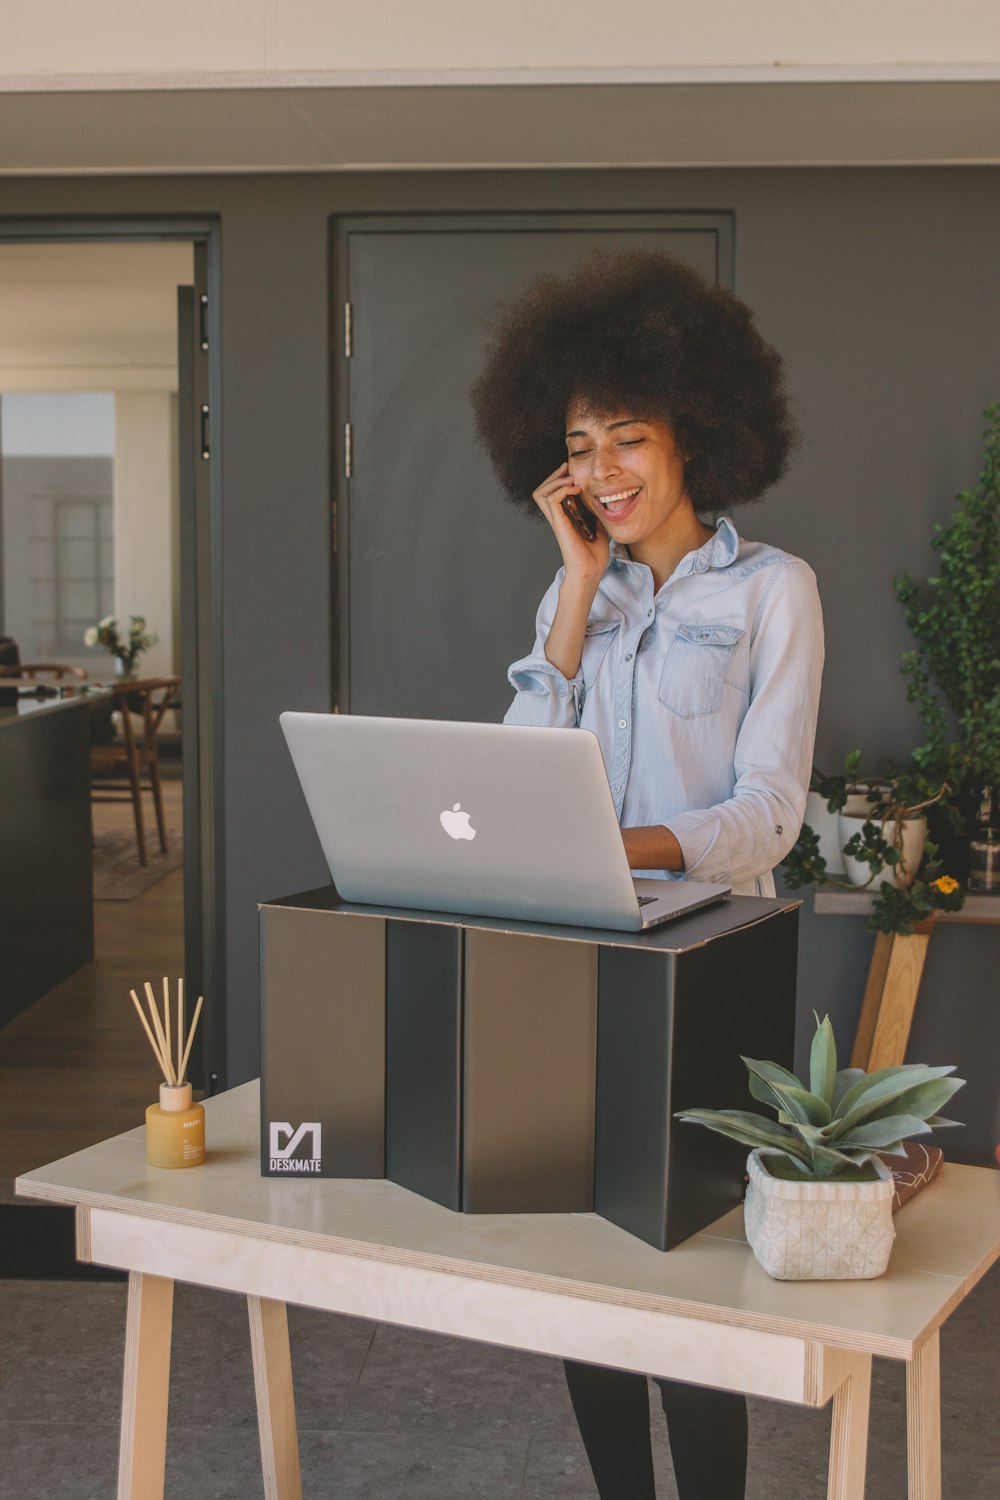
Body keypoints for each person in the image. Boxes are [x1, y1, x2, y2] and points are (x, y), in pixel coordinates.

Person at [470, 249, 824, 1500]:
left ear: (696, 435)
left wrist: (620, 842)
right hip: (580, 956)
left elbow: (770, 815)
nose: (604, 469)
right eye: (581, 442)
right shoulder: (577, 600)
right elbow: (523, 777)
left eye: (629, 435)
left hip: (711, 961)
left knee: (683, 1272)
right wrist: (572, 587)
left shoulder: (775, 591)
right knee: (585, 1273)